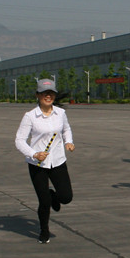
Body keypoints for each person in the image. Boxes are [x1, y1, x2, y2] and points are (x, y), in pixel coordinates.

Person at [15, 79, 75, 243]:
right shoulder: (30, 116)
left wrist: (69, 141)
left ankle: (52, 194)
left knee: (66, 197)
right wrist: (34, 154)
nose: (48, 96)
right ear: (38, 95)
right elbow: (19, 140)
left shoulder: (60, 113)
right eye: (44, 93)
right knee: (44, 201)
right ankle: (44, 230)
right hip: (38, 164)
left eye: (51, 93)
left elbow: (66, 129)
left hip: (58, 161)